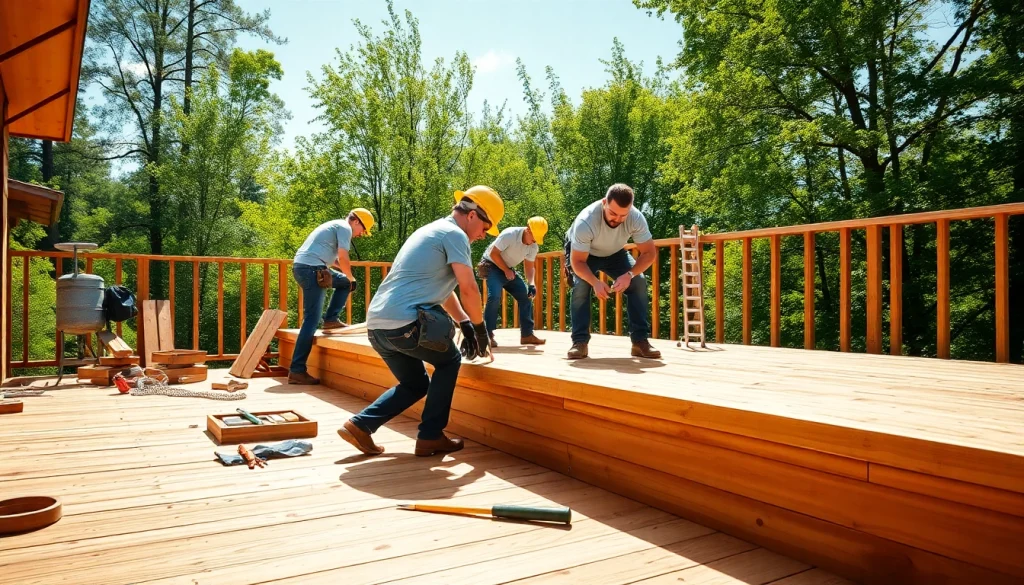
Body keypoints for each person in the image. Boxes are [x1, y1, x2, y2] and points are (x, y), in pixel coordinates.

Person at [337, 186, 503, 457]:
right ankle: (430, 437)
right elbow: (469, 288)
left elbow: (442, 289)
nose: (484, 235)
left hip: (378, 327)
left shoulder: (432, 230)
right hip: (404, 324)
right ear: (472, 215)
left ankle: (360, 425)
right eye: (486, 227)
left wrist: (464, 323)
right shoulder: (455, 235)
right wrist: (482, 329)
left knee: (416, 384)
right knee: (449, 361)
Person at [564, 183, 662, 360]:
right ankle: (579, 343)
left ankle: (640, 342)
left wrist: (629, 274)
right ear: (604, 203)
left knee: (638, 281)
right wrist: (595, 282)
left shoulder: (636, 218)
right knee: (581, 287)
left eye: (623, 215)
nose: (617, 219)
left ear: (630, 209)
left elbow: (649, 253)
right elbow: (578, 261)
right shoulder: (585, 221)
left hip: (615, 252)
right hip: (585, 255)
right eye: (613, 213)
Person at [288, 209, 374, 385]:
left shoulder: (334, 226)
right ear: (356, 222)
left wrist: (348, 278)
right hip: (312, 270)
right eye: (363, 230)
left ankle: (331, 319)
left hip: (308, 267)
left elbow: (334, 261)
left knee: (343, 283)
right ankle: (297, 370)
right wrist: (351, 276)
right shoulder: (344, 227)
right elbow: (343, 257)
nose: (360, 235)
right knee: (311, 320)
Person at [478, 216, 548, 347]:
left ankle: (527, 335)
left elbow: (529, 267)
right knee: (494, 296)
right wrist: (505, 270)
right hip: (491, 265)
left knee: (526, 297)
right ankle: (487, 335)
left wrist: (531, 283)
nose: (534, 241)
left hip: (508, 269)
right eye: (534, 237)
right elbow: (494, 254)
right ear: (528, 230)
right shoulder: (509, 234)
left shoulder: (533, 247)